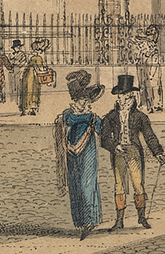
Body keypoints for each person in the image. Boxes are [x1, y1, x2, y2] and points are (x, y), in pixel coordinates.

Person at [99, 74, 165, 231]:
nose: (120, 98)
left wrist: (158, 153)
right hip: (118, 152)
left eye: (123, 95)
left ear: (130, 96)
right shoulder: (111, 116)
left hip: (134, 151)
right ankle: (119, 220)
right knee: (119, 186)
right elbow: (104, 138)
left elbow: (149, 136)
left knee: (138, 185)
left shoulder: (140, 116)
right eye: (119, 95)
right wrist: (114, 146)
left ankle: (141, 217)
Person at [55, 70, 107, 240]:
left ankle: (90, 220)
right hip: (72, 157)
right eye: (81, 99)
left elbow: (104, 133)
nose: (84, 102)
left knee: (87, 186)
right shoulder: (67, 116)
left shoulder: (92, 117)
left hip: (87, 156)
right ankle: (79, 222)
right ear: (76, 100)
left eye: (86, 100)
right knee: (75, 186)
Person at [131, 26, 165, 112]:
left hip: (152, 68)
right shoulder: (142, 45)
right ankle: (147, 104)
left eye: (152, 35)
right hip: (143, 67)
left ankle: (157, 104)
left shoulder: (152, 46)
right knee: (144, 86)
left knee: (154, 85)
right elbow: (136, 56)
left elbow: (155, 58)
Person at [19, 39, 56, 116]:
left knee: (27, 91)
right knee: (33, 91)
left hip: (27, 74)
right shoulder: (38, 57)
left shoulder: (31, 56)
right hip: (33, 76)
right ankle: (32, 109)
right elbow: (40, 69)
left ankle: (26, 109)